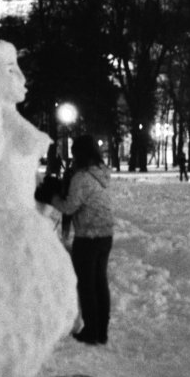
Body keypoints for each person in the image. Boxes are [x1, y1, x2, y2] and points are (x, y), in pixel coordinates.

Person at [49, 134, 114, 345]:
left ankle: (91, 332)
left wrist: (51, 198)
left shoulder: (81, 177)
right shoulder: (101, 173)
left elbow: (69, 207)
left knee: (86, 285)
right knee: (100, 283)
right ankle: (101, 331)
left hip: (87, 236)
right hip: (106, 235)